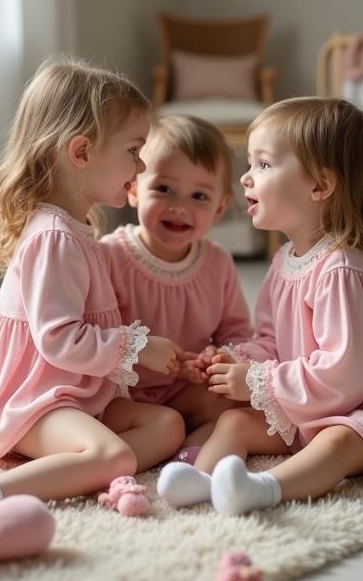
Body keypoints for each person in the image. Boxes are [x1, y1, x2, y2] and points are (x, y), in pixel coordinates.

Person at [157, 97, 363, 513]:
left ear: (319, 186)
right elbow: (272, 341)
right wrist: (236, 361)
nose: (245, 179)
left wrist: (261, 382)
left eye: (264, 165)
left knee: (343, 439)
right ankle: (202, 480)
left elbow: (346, 378)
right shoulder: (285, 261)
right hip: (307, 401)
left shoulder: (342, 271)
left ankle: (263, 489)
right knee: (234, 420)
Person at [0, 57, 187, 521]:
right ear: (81, 152)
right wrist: (138, 347)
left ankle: (76, 465)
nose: (142, 163)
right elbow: (58, 340)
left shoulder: (76, 228)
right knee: (117, 457)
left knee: (167, 426)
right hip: (31, 398)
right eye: (133, 149)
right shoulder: (54, 237)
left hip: (70, 391)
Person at [99, 115, 252, 456]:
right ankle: (125, 454)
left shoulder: (218, 263)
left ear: (220, 208)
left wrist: (222, 356)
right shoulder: (110, 256)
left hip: (183, 391)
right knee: (162, 424)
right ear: (134, 189)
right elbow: (91, 334)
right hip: (119, 397)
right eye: (164, 189)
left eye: (199, 196)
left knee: (242, 402)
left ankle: (187, 456)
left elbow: (237, 332)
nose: (180, 207)